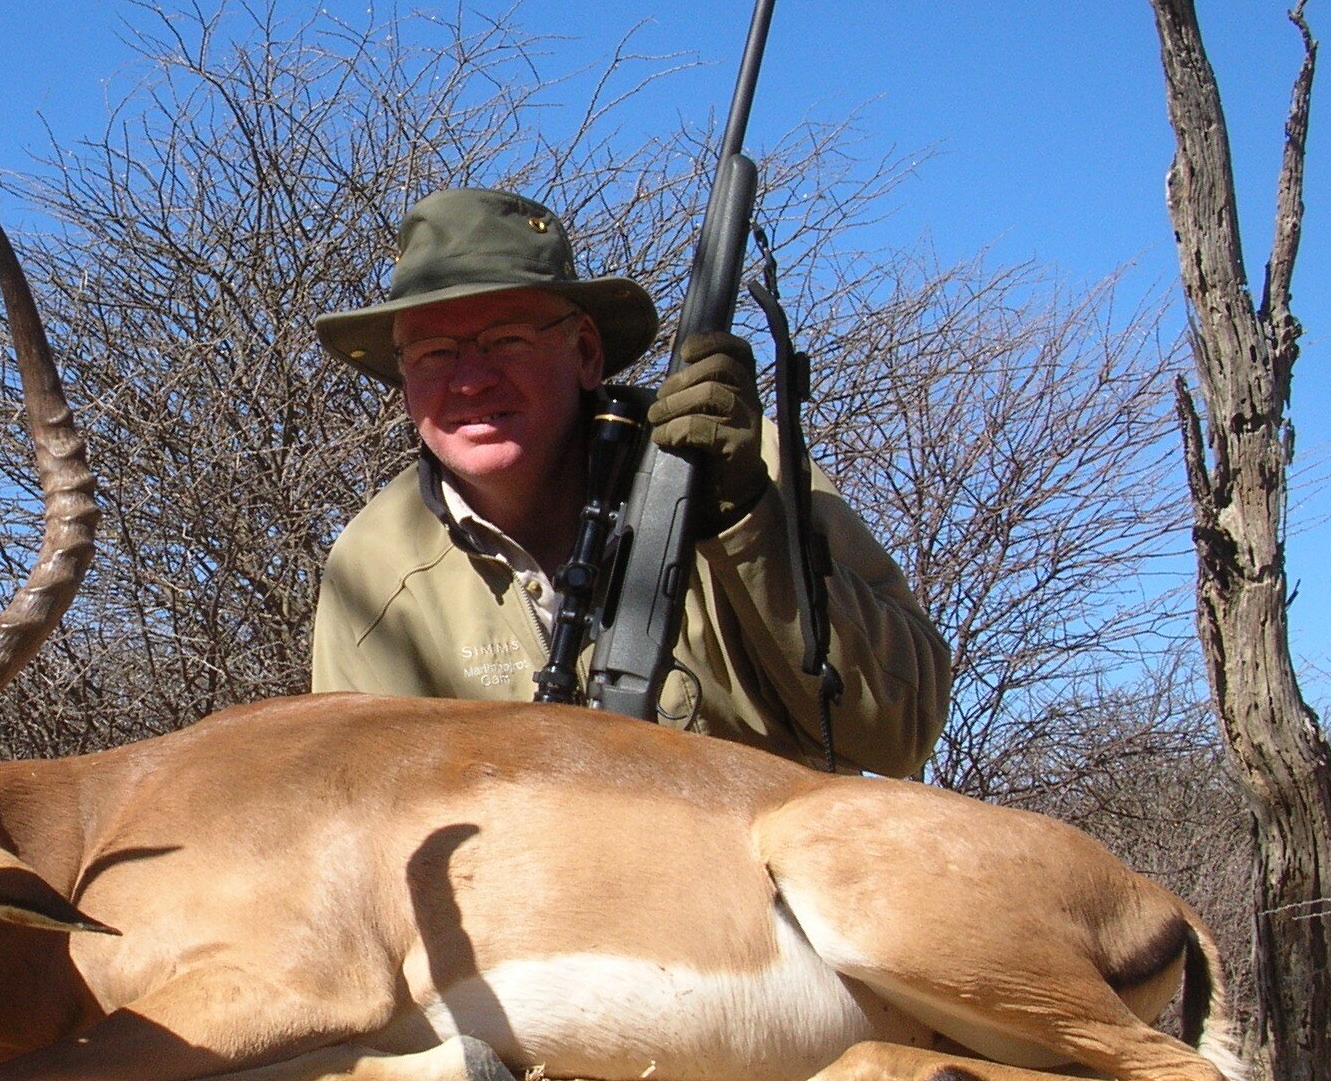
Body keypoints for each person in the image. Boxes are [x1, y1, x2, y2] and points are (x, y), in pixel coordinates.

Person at [309, 187, 950, 777]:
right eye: (435, 353)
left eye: (507, 340)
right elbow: (360, 815)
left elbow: (898, 733)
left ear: (586, 353)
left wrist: (744, 520)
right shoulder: (371, 568)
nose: (470, 380)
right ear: (404, 380)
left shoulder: (740, 462)